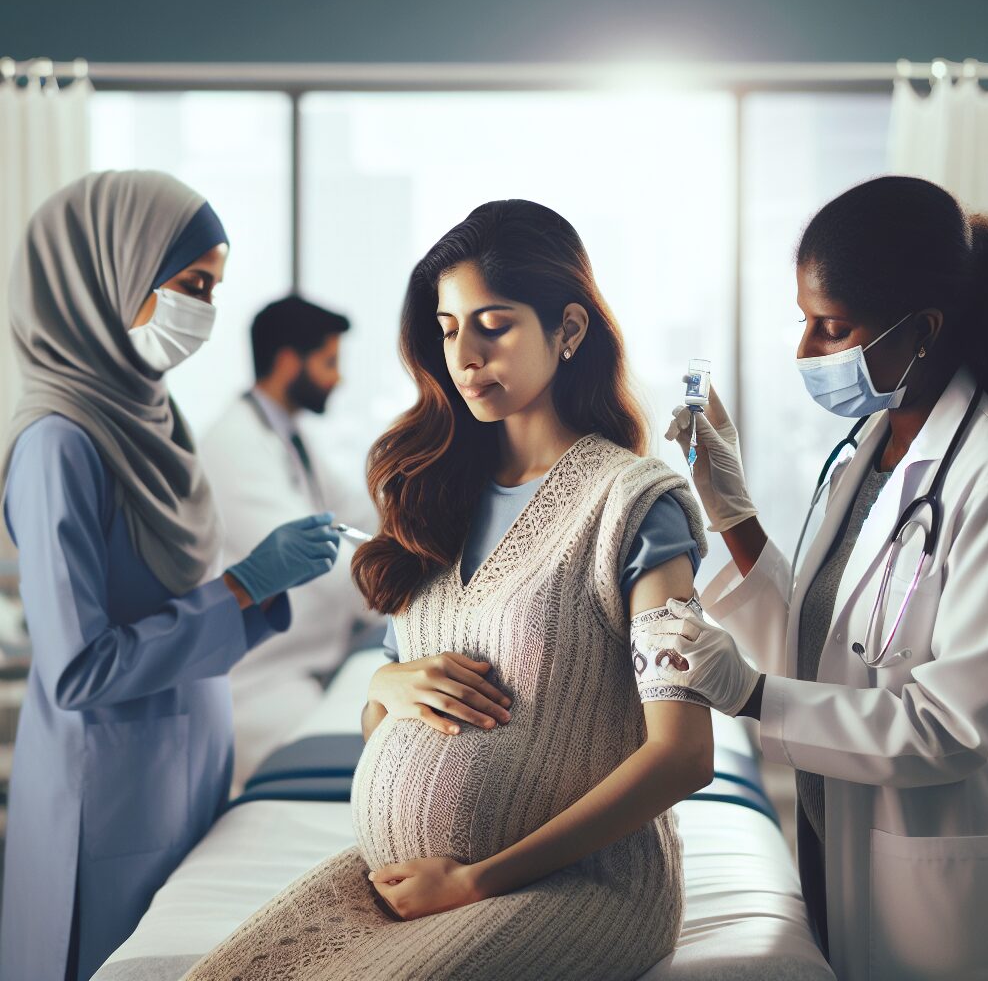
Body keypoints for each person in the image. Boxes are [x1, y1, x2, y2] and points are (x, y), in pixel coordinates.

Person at [183, 199, 713, 981]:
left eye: (493, 324)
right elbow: (387, 723)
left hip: (570, 884)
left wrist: (473, 880)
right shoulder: (434, 497)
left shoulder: (634, 504)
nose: (464, 353)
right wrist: (384, 685)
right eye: (447, 326)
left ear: (568, 331)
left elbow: (683, 756)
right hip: (412, 884)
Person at [662, 176, 988, 980]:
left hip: (935, 883)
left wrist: (754, 695)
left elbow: (952, 727)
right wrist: (731, 510)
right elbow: (827, 640)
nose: (806, 353)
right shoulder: (866, 449)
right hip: (837, 844)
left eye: (834, 328)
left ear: (924, 330)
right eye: (805, 322)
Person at [0, 171, 341, 981]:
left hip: (185, 768)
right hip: (107, 795)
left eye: (214, 289)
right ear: (107, 275)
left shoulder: (152, 416)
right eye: (191, 286)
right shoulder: (59, 444)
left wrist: (252, 590)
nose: (205, 314)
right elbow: (81, 668)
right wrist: (241, 587)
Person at [201, 294, 379, 788]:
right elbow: (317, 558)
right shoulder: (235, 445)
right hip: (259, 683)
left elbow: (357, 512)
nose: (338, 378)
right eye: (329, 362)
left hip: (308, 668)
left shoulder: (289, 435)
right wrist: (410, 603)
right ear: (287, 362)